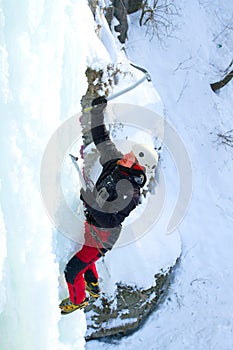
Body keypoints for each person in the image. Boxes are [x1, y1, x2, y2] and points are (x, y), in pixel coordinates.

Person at [59, 96, 158, 314]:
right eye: (129, 154)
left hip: (102, 239)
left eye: (131, 158)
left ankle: (78, 301)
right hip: (92, 224)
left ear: (139, 168)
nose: (126, 157)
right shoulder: (116, 162)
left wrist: (91, 202)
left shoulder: (130, 193)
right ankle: (93, 285)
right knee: (85, 259)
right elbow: (102, 140)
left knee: (72, 271)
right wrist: (97, 113)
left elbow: (110, 219)